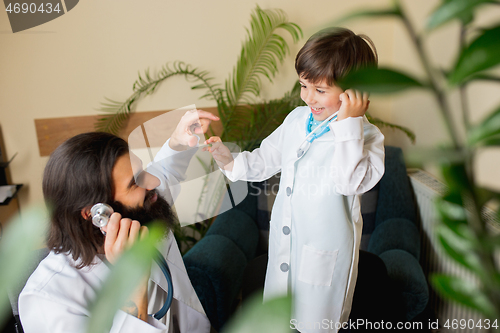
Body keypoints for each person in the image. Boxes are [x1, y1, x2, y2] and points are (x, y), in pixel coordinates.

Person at [204, 28, 385, 333]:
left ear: (355, 92)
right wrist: (228, 159)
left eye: (320, 90)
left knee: (315, 324)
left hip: (324, 260)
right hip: (285, 251)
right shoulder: (296, 120)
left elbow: (348, 182)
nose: (308, 97)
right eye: (303, 85)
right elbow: (264, 159)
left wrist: (349, 123)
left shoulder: (366, 137)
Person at [19, 110, 219, 333]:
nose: (152, 183)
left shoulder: (143, 211)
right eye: (135, 182)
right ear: (96, 214)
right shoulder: (49, 302)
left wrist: (179, 141)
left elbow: (165, 172)